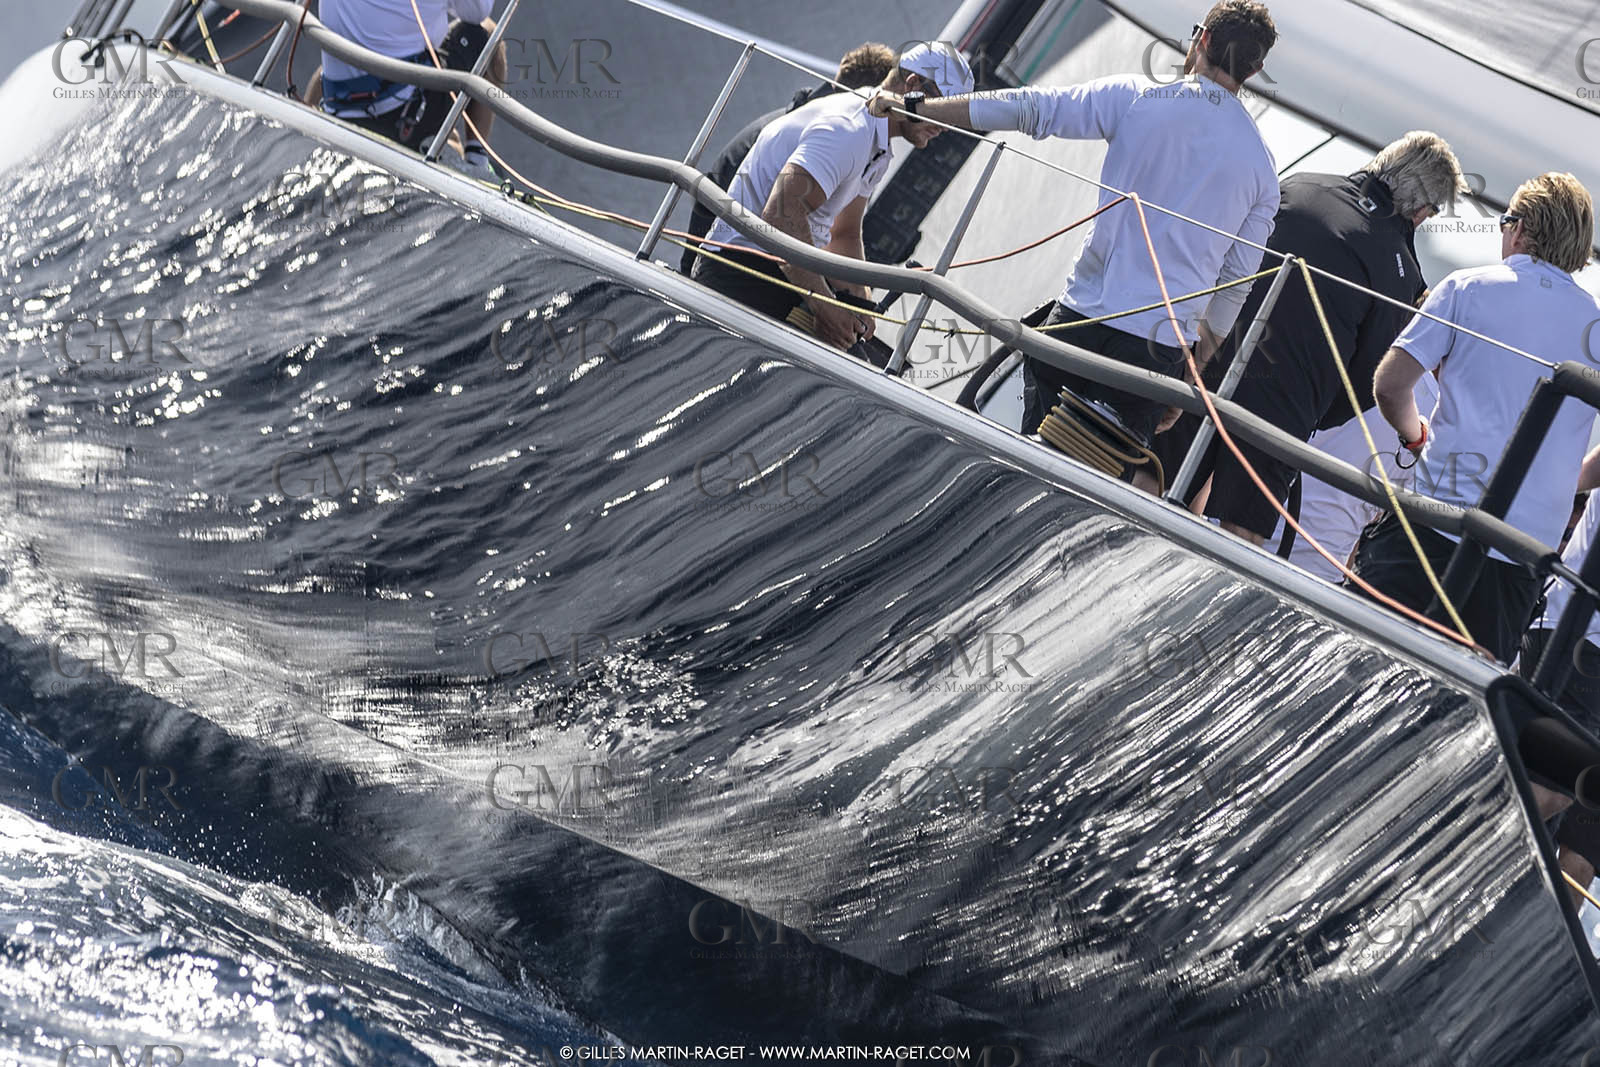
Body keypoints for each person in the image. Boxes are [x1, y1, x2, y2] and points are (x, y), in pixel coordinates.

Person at [869, 1, 1280, 475]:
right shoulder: (1262, 170)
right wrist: (1191, 375)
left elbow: (1032, 109)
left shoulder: (1137, 96)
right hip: (1153, 353)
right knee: (1087, 489)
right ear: (1255, 70)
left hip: (1078, 322)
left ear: (1202, 38)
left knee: (1021, 468)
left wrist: (917, 107)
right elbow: (1233, 289)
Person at [1156, 132, 1467, 542]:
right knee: (1240, 534)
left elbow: (1223, 257)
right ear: (1423, 209)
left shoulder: (1299, 184)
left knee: (1152, 478)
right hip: (1283, 411)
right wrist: (1314, 414)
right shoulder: (1402, 274)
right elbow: (1364, 382)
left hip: (1208, 364)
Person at [1349, 172, 1600, 663]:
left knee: (1361, 663)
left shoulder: (1466, 287)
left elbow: (1390, 386)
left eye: (1505, 221)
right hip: (1521, 555)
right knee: (1457, 700)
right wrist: (1562, 481)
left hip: (1434, 520)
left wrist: (1416, 436)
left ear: (1520, 228)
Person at [692, 43, 973, 350]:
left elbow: (844, 234)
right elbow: (781, 215)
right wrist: (825, 306)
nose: (946, 128)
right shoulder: (849, 130)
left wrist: (861, 303)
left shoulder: (876, 138)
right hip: (740, 274)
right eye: (942, 112)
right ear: (913, 86)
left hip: (773, 272)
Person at [678, 44, 898, 276]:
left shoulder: (806, 119)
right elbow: (788, 216)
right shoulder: (838, 133)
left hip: (730, 231)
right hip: (728, 240)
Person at [1518, 449, 1600, 911]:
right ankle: (1449, 878)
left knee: (1583, 846)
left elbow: (1577, 477)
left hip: (1567, 632)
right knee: (1550, 790)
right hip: (1581, 642)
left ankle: (1528, 943)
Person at [307, 0, 507, 174]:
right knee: (487, 34)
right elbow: (477, 13)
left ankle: (303, 127)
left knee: (352, 52)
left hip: (339, 96)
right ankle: (477, 161)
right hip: (397, 115)